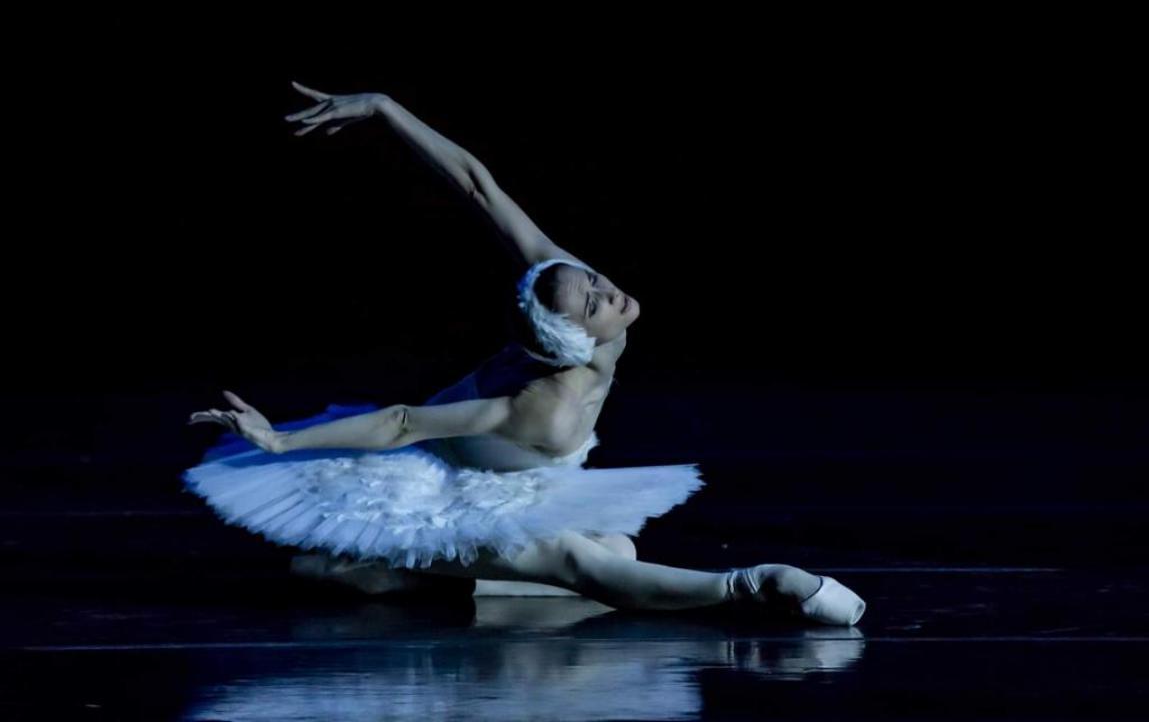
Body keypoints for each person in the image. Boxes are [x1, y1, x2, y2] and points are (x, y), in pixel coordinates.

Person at [183, 82, 866, 626]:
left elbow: (478, 186)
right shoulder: (539, 407)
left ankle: (401, 577)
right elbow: (401, 423)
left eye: (594, 282)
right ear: (571, 340)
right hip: (442, 491)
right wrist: (279, 441)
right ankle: (759, 584)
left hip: (518, 475)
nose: (607, 291)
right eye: (593, 303)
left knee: (618, 547)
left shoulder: (558, 286)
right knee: (586, 564)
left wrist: (388, 109)